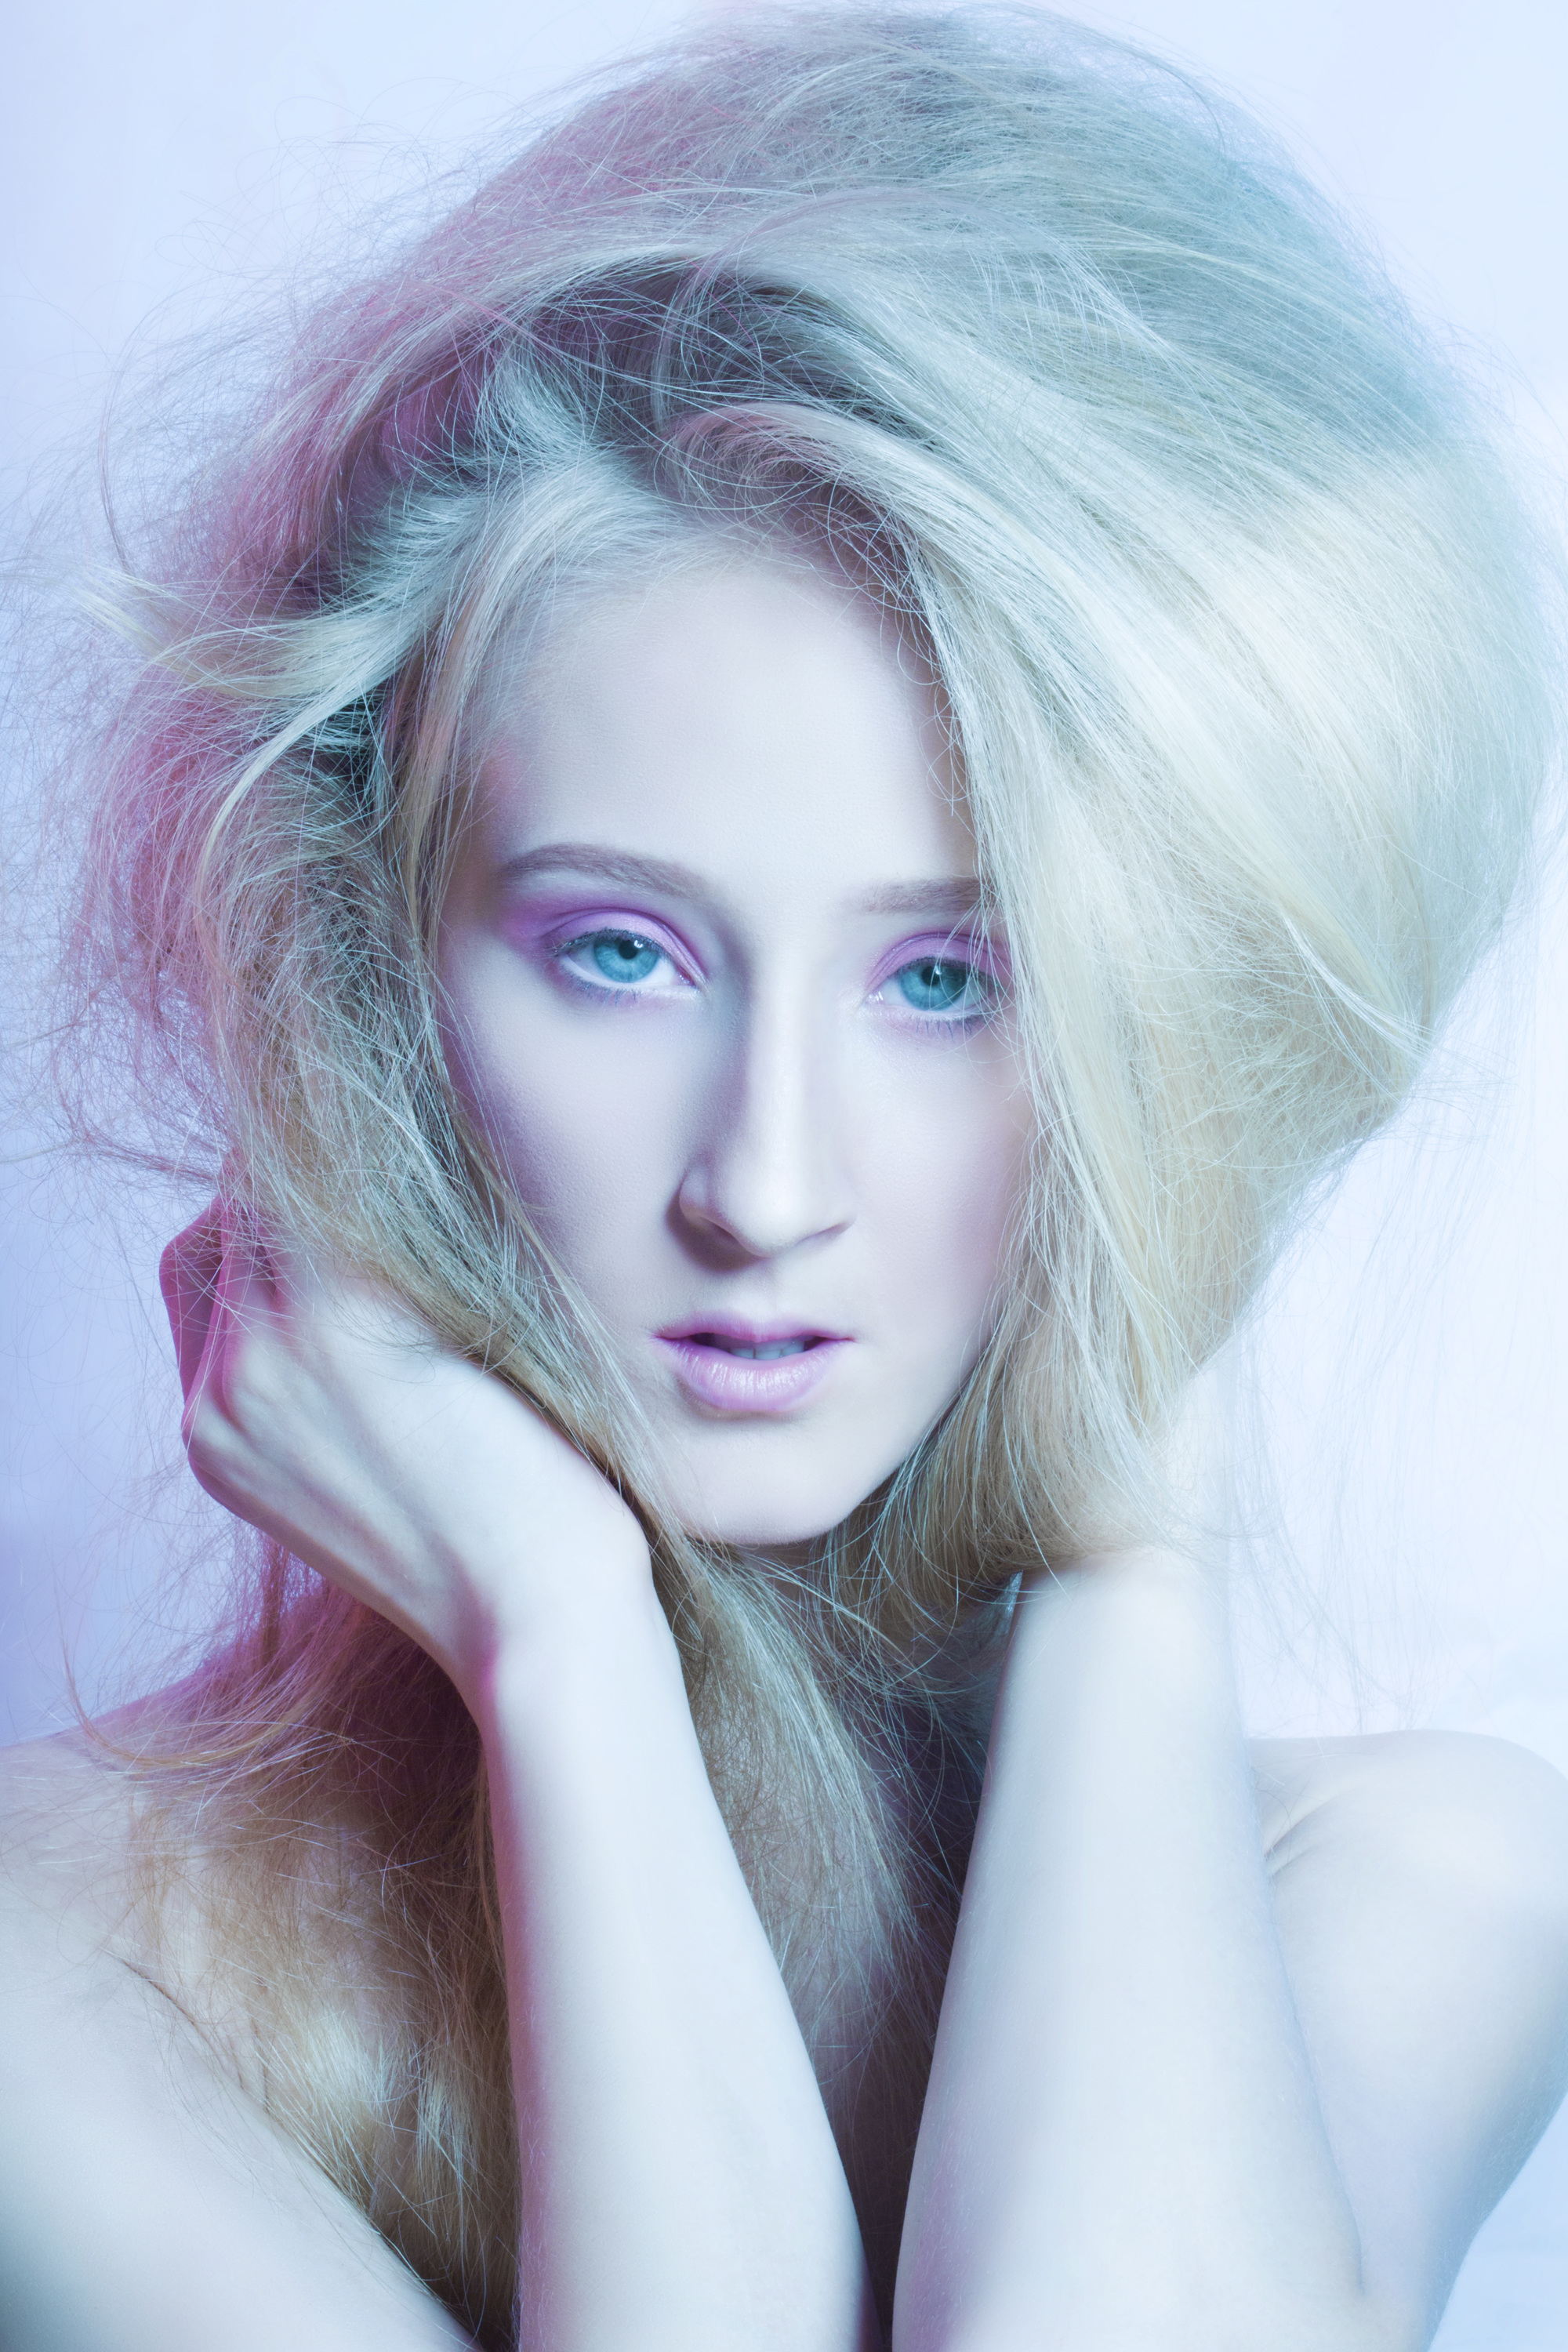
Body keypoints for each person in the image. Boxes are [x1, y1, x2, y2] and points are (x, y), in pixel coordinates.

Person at [3, 7, 1566, 2347]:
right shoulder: (63, 1971)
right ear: (372, 968)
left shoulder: (1426, 1875)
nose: (766, 1182)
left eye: (952, 978)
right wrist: (563, 1649)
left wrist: (1125, 1512)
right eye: (621, 953)